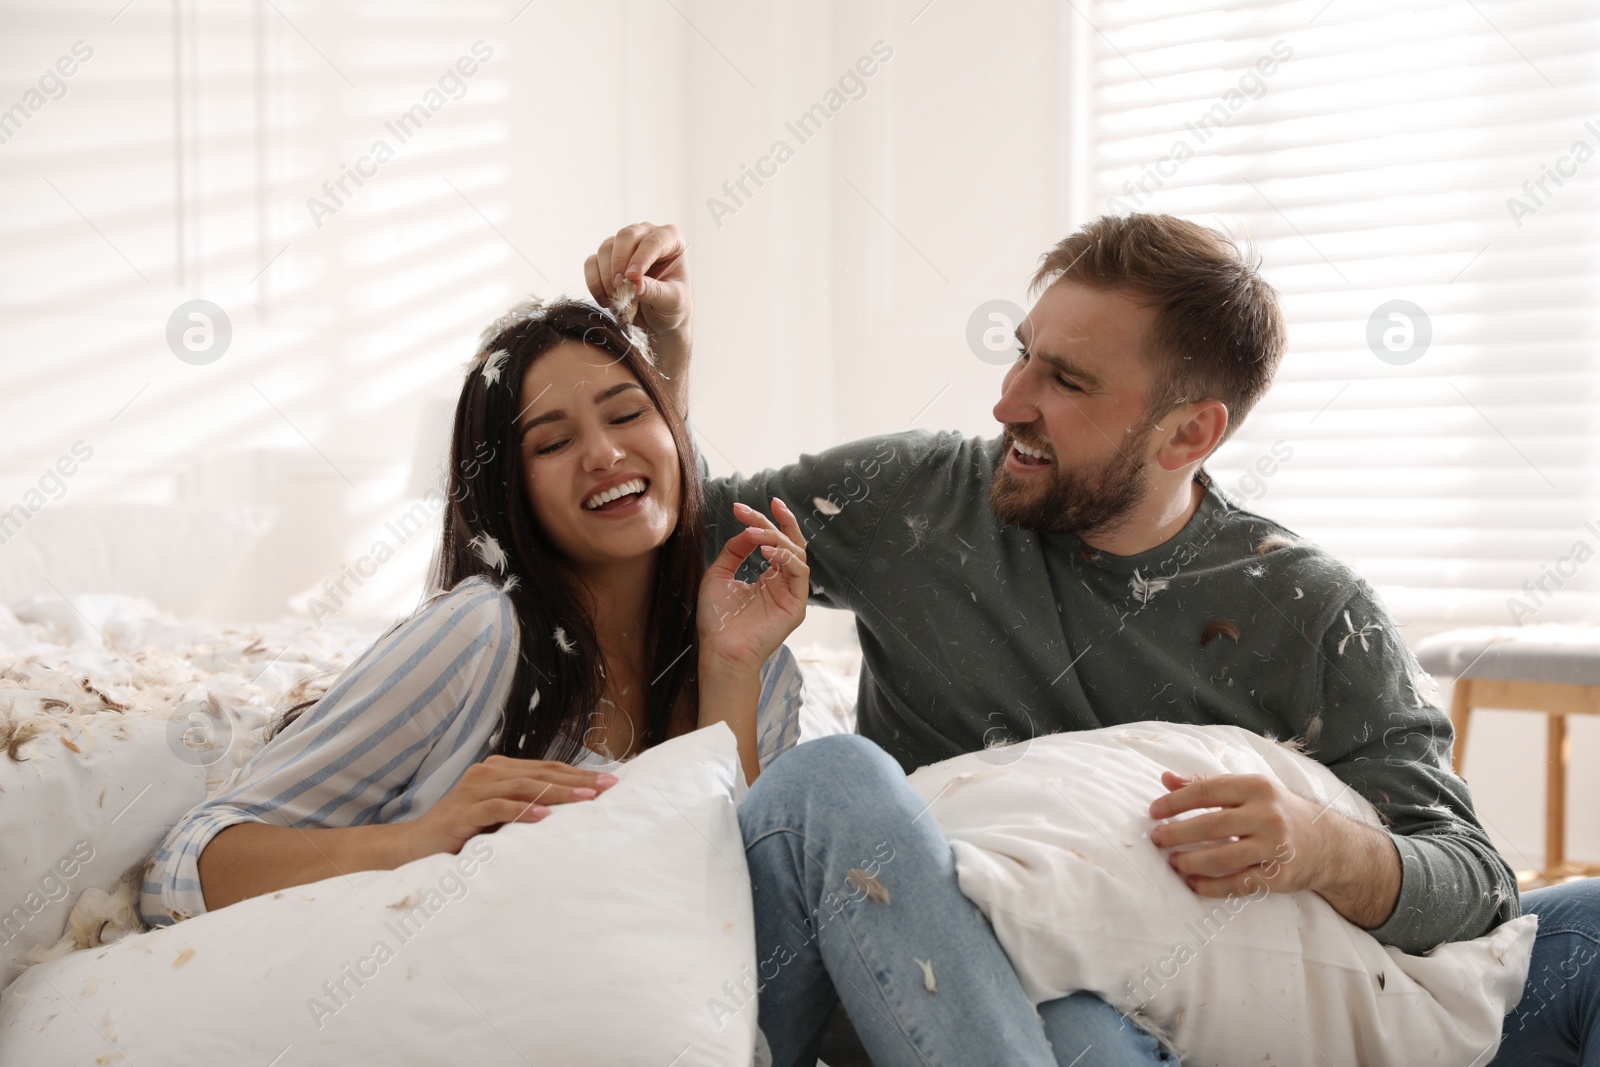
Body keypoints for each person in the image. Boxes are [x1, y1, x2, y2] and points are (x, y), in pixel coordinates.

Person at [588, 217, 1600, 1066]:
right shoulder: (916, 500)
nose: (1008, 401)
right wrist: (664, 354)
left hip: (1220, 1008)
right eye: (1020, 351)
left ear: (1187, 434)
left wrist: (1321, 843)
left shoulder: (1307, 609)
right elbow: (670, 532)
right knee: (1060, 1012)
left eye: (1064, 380)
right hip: (966, 984)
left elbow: (1469, 880)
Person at [140, 296, 815, 923]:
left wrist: (730, 669)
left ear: (674, 431)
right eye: (552, 443)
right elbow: (179, 868)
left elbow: (741, 918)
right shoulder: (484, 633)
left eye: (627, 412)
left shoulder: (762, 669)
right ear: (510, 492)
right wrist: (418, 839)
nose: (605, 454)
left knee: (848, 776)